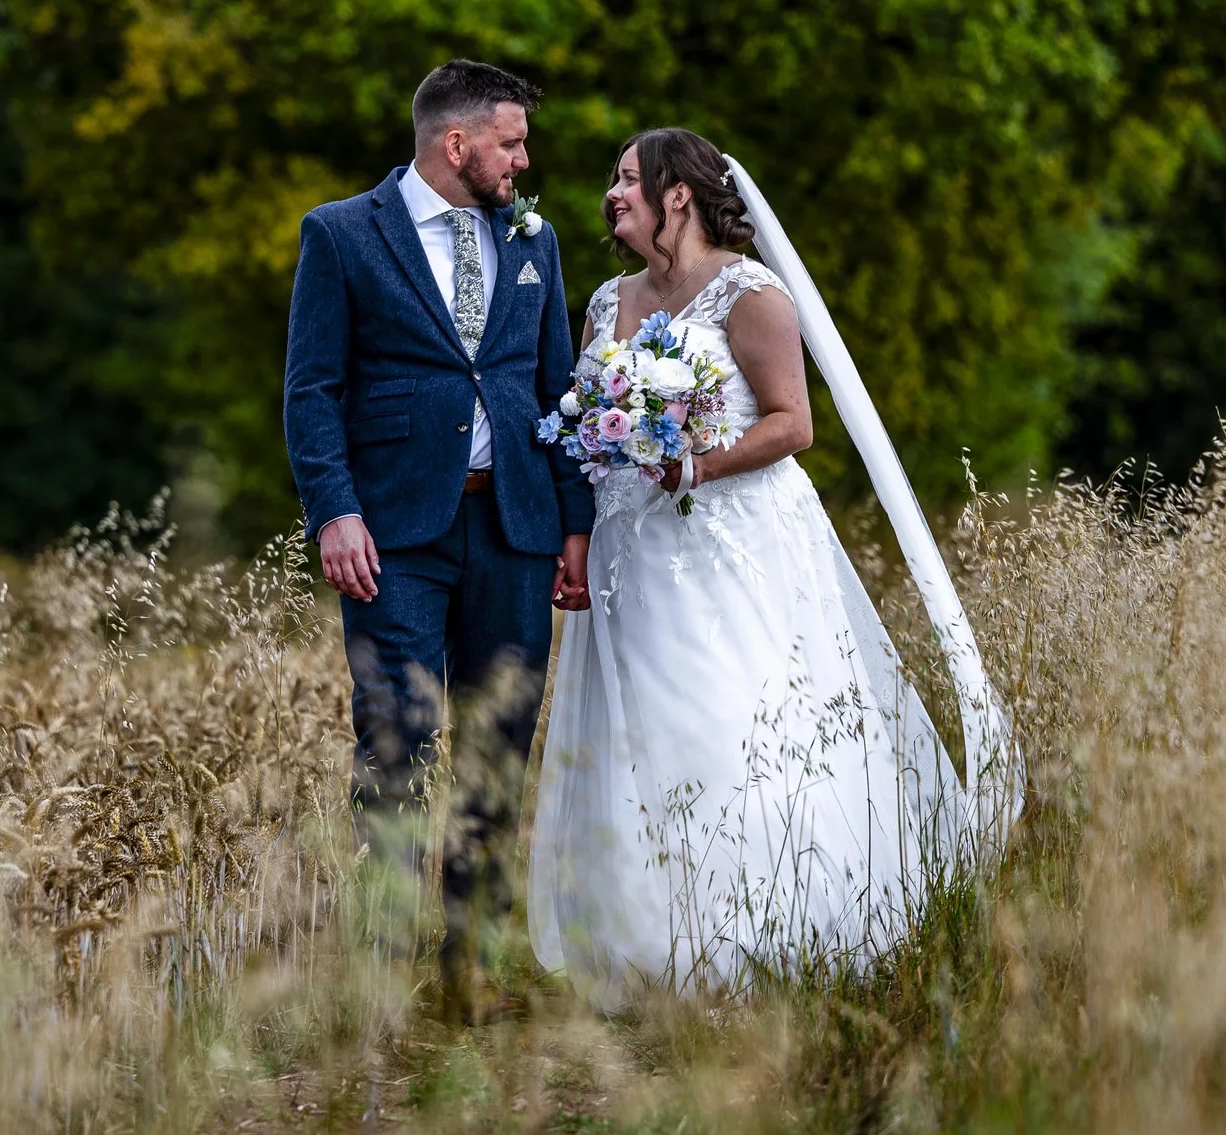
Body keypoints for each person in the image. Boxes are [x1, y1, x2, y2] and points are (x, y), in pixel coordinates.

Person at [527, 128, 1017, 1006]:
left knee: (729, 717)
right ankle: (653, 942)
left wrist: (696, 463)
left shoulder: (752, 296)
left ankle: (766, 934)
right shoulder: (606, 303)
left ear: (679, 193)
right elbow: (589, 419)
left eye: (628, 176)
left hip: (729, 543)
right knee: (635, 728)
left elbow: (793, 423)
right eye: (613, 178)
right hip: (628, 550)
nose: (612, 191)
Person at [283, 58, 593, 1020]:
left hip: (517, 528)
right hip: (392, 538)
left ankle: (472, 972)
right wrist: (335, 510)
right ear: (455, 144)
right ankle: (378, 968)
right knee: (396, 743)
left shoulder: (535, 237)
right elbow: (312, 388)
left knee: (497, 749)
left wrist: (575, 523)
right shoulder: (341, 233)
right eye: (511, 142)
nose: (524, 159)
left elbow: (557, 395)